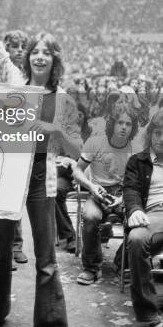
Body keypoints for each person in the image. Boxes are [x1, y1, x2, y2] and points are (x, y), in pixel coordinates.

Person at [0, 0, 82, 327]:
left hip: (40, 176)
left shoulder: (62, 98)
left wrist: (55, 131)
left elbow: (75, 146)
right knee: (1, 250)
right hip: (8, 173)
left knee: (46, 256)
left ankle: (51, 321)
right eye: (34, 51)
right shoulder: (13, 80)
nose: (39, 57)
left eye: (46, 53)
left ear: (55, 60)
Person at [73, 97, 138, 285]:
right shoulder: (95, 143)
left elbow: (139, 182)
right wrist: (91, 186)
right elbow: (77, 171)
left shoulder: (135, 149)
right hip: (98, 192)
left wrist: (124, 198)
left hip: (124, 194)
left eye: (128, 124)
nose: (124, 127)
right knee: (91, 216)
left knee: (136, 219)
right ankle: (91, 268)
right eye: (120, 122)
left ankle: (121, 262)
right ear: (112, 123)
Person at [0, 30, 28, 266]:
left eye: (23, 46)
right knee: (0, 197)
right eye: (14, 46)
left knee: (16, 195)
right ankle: (2, 247)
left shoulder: (28, 74)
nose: (19, 50)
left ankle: (16, 245)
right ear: (6, 48)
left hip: (19, 140)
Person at [123, 109, 163, 327]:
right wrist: (135, 209)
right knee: (136, 239)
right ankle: (147, 311)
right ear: (150, 135)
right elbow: (130, 189)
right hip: (151, 215)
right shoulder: (136, 162)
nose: (162, 138)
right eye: (158, 133)